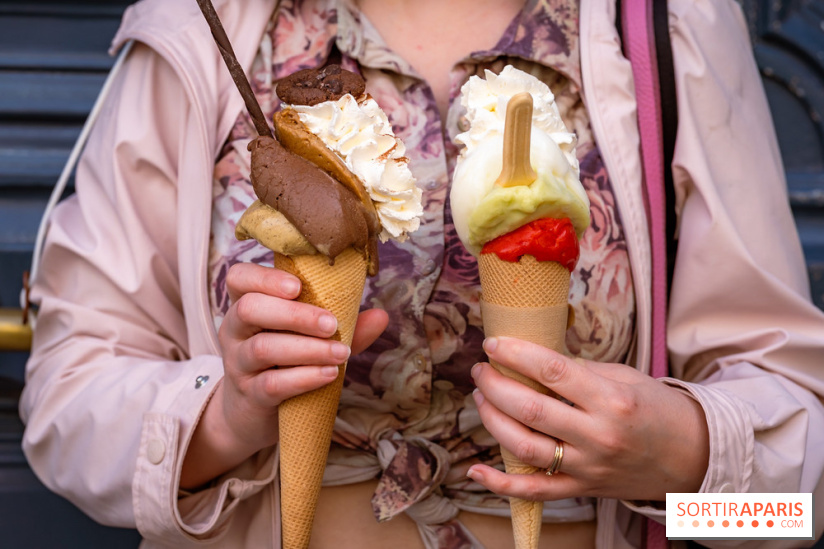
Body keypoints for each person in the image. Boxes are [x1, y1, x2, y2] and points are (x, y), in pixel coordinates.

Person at [19, 0, 824, 547]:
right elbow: (62, 409)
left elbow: (800, 510)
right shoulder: (202, 29)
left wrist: (685, 452)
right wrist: (221, 420)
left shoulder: (669, 26)